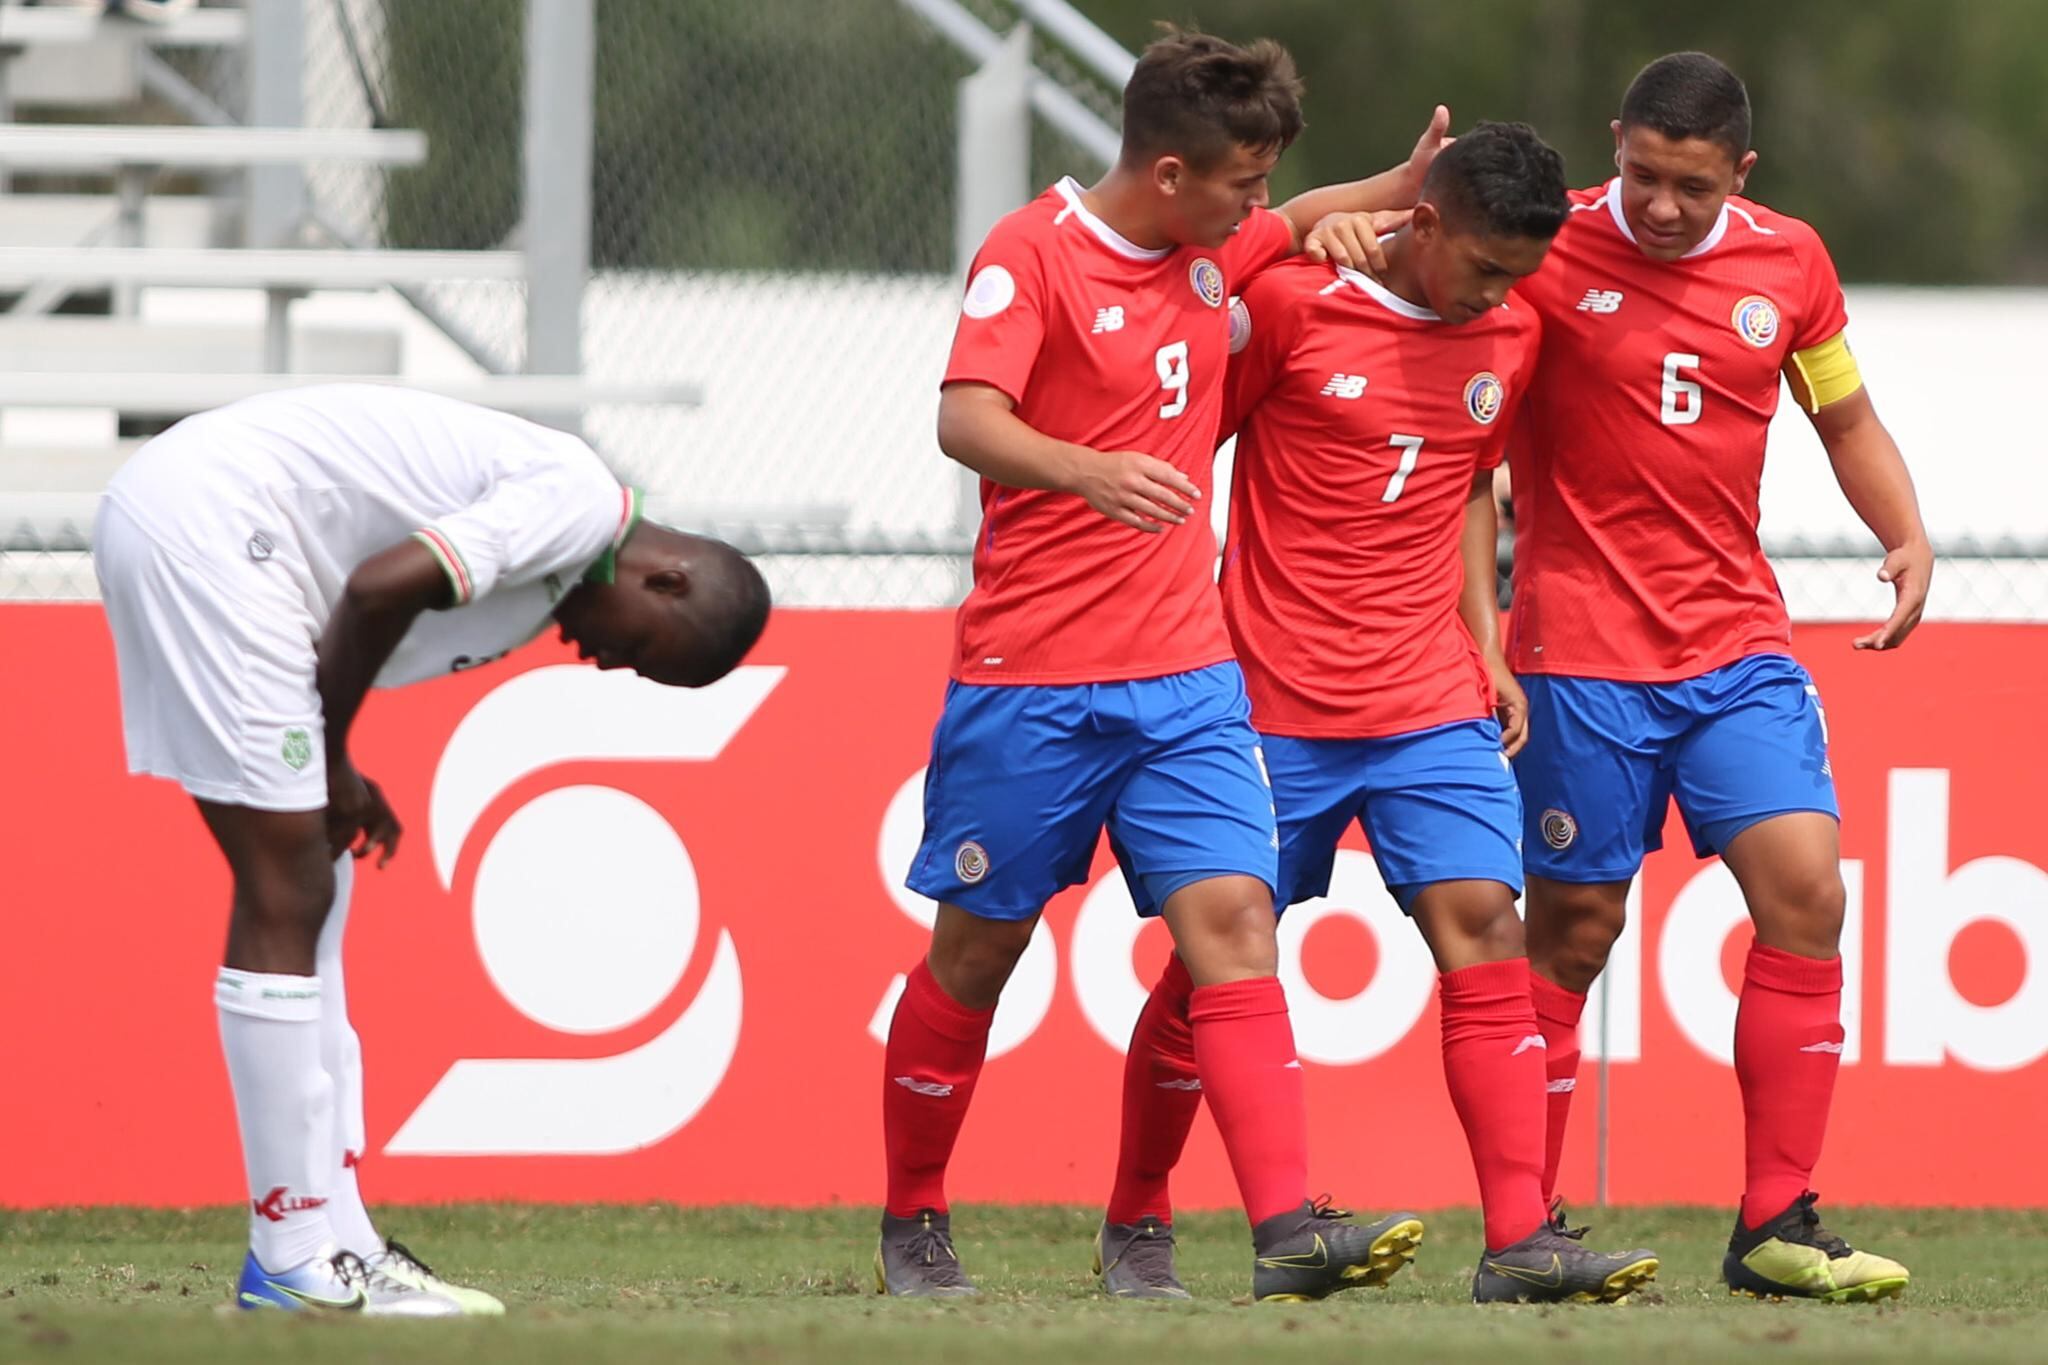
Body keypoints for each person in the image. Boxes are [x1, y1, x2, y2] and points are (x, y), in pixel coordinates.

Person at [879, 27, 1449, 1301]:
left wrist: (1398, 186)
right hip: (1031, 681)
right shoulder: (1030, 251)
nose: (1260, 206)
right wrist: (1085, 470)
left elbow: (1294, 217)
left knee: (1235, 929)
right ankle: (912, 1216)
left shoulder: (1210, 247)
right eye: (1242, 182)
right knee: (975, 956)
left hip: (1188, 683)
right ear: (1172, 172)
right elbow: (963, 416)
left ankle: (1275, 1230)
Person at [1107, 120, 1659, 1306]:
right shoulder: (1295, 308)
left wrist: (1484, 644)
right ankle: (1138, 1215)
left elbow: (1465, 482)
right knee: (1212, 967)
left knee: (1485, 925)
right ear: (1424, 223)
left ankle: (1518, 1241)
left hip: (1426, 696)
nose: (1499, 295)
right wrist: (1302, 226)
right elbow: (1180, 420)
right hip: (1269, 698)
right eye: (1484, 266)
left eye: (1517, 275)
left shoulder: (1509, 333)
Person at [93, 383, 771, 1314]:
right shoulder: (577, 505)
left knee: (316, 875)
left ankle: (340, 1241)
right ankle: (288, 1255)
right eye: (640, 653)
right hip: (214, 520)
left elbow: (359, 601)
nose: (611, 663)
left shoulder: (559, 550)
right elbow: (380, 588)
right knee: (288, 887)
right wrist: (331, 756)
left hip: (206, 521)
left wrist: (333, 767)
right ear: (668, 581)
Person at [1504, 53, 1927, 1302]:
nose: (1661, 205)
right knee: (1573, 932)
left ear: (1739, 173)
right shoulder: (1539, 244)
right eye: (1641, 175)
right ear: (1613, 144)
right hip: (1577, 651)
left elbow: (1841, 416)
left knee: (1807, 893)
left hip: (1734, 646)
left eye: (1691, 186)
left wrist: (1902, 533)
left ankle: (1773, 1224)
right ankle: (1524, 1226)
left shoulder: (1790, 262)